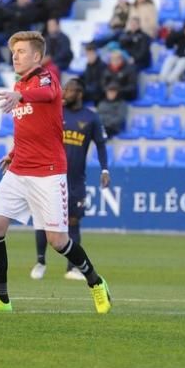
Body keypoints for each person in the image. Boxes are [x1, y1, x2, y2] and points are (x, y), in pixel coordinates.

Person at [0, 32, 111, 317]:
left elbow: (50, 94)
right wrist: (13, 152)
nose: (15, 56)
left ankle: (96, 282)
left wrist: (21, 94)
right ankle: (2, 299)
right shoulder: (19, 84)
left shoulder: (47, 77)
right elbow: (29, 126)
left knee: (58, 241)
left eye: (21, 51)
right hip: (19, 170)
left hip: (48, 173)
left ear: (37, 57)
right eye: (13, 51)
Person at [32, 78, 110, 280]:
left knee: (73, 221)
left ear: (80, 93)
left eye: (69, 90)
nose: (65, 93)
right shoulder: (56, 111)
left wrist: (104, 170)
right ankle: (40, 262)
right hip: (50, 174)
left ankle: (72, 268)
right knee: (43, 219)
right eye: (64, 89)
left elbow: (101, 145)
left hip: (75, 179)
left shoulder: (91, 118)